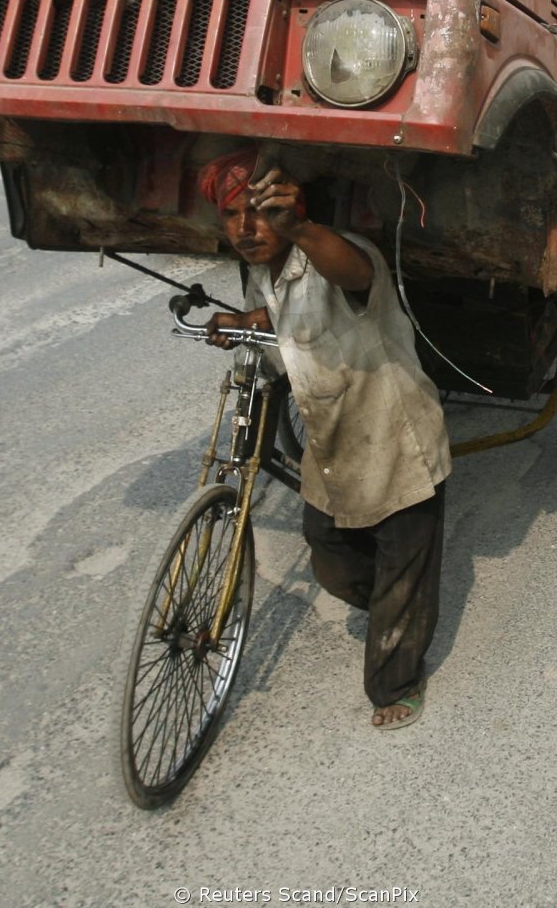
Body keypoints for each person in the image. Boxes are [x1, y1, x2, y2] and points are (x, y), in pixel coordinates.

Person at [199, 148, 451, 731]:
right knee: (332, 562)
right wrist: (241, 323)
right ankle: (401, 604)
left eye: (259, 213)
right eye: (231, 215)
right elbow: (279, 318)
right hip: (334, 449)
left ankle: (399, 680)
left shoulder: (338, 253)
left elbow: (353, 275)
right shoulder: (263, 273)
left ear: (293, 209)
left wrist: (304, 229)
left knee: (401, 560)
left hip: (397, 440)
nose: (246, 228)